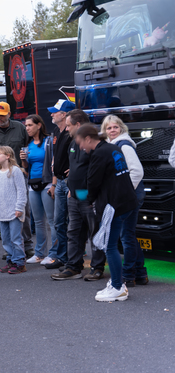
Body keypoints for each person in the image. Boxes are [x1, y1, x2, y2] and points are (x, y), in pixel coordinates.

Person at [74, 124, 137, 302]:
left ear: (88, 139)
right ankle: (119, 284)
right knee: (123, 240)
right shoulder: (113, 148)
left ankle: (117, 286)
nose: (80, 147)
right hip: (128, 201)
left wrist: (88, 200)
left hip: (114, 205)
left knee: (109, 246)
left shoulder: (99, 154)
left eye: (80, 143)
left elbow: (92, 183)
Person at [51, 110, 107, 281]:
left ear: (78, 124)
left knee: (94, 232)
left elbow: (96, 171)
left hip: (89, 196)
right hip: (74, 195)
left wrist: (91, 194)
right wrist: (70, 186)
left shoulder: (95, 143)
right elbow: (75, 167)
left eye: (68, 125)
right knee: (73, 232)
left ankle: (97, 267)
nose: (66, 129)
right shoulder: (73, 143)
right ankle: (73, 266)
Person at [0, 102, 33, 256]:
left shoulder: (20, 128)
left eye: (2, 115)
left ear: (9, 114)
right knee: (2, 212)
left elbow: (29, 147)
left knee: (23, 210)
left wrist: (26, 164)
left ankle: (27, 246)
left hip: (17, 174)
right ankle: (10, 249)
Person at [100, 115, 147, 286]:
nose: (112, 131)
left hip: (130, 196)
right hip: (129, 195)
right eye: (109, 128)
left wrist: (124, 193)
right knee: (128, 235)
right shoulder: (113, 145)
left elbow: (136, 172)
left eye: (115, 127)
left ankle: (129, 275)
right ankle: (139, 273)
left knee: (126, 236)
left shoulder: (124, 145)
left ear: (121, 128)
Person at [19, 115, 59, 265]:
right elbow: (26, 169)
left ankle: (54, 253)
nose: (27, 128)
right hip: (33, 184)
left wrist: (54, 185)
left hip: (47, 183)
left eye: (29, 125)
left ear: (39, 125)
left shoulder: (49, 141)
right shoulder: (28, 144)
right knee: (38, 221)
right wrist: (23, 159)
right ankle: (39, 253)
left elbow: (55, 164)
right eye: (26, 126)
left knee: (52, 220)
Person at [43, 99, 75, 269]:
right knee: (59, 222)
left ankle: (74, 258)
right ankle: (62, 257)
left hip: (70, 183)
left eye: (55, 112)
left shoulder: (73, 133)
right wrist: (54, 184)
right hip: (60, 182)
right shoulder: (56, 131)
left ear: (64, 114)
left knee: (75, 222)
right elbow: (55, 159)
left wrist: (74, 176)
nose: (51, 114)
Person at [0, 146, 28, 274]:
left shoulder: (15, 171)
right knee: (6, 239)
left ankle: (19, 262)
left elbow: (21, 190)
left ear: (8, 156)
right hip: (2, 211)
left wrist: (19, 207)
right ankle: (11, 260)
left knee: (15, 238)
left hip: (14, 211)